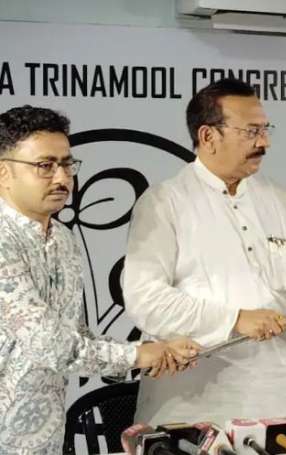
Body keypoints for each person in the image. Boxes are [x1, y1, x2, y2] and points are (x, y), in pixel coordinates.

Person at [123, 79, 286, 424]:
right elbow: (146, 299)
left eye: (265, 129)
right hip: (188, 406)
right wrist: (235, 319)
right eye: (251, 131)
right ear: (208, 136)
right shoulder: (164, 202)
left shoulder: (282, 202)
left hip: (272, 397)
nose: (264, 142)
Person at [0, 105, 199, 455]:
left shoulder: (63, 239)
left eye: (67, 164)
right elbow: (51, 346)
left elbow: (77, 336)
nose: (62, 178)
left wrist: (156, 352)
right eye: (45, 166)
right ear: (4, 172)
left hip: (42, 441)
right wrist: (138, 355)